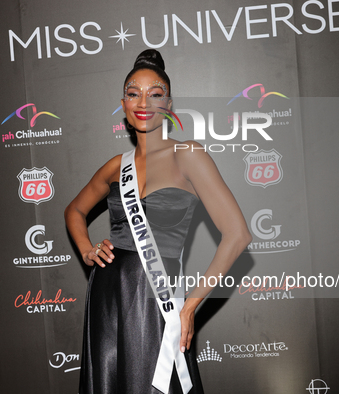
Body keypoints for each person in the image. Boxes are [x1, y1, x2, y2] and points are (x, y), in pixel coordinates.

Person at [65, 49, 251, 394]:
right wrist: (88, 250)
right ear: (122, 103)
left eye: (155, 94)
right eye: (134, 93)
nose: (143, 101)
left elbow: (237, 235)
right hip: (108, 295)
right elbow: (73, 210)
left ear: (169, 103)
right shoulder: (113, 166)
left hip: (156, 298)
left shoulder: (189, 155)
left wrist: (191, 305)